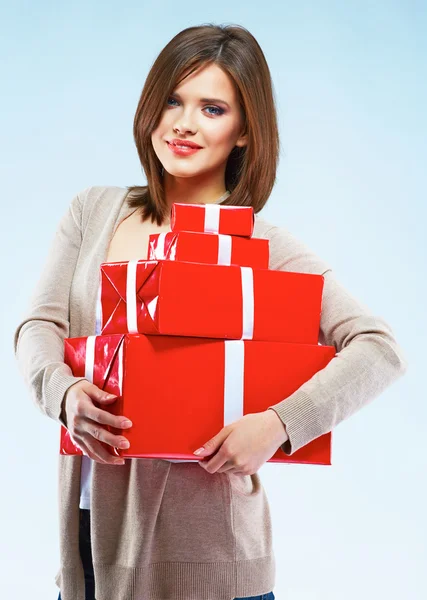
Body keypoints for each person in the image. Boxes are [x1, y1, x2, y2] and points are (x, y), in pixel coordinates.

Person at [13, 23, 407, 600]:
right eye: (172, 99)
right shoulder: (93, 212)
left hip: (212, 568)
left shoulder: (260, 245)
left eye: (212, 108)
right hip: (87, 552)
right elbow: (38, 326)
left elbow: (379, 348)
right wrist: (65, 395)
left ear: (244, 132)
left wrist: (278, 426)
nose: (184, 123)